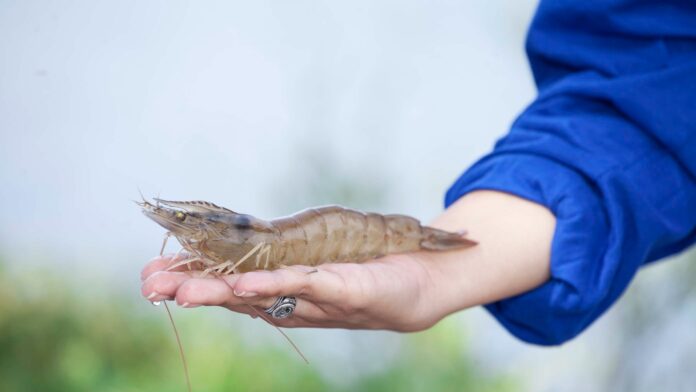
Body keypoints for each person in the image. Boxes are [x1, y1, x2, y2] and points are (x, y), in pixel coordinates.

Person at [141, 0, 696, 345]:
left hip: (345, 231)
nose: (180, 226)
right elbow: (646, 95)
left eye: (189, 223)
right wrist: (438, 280)